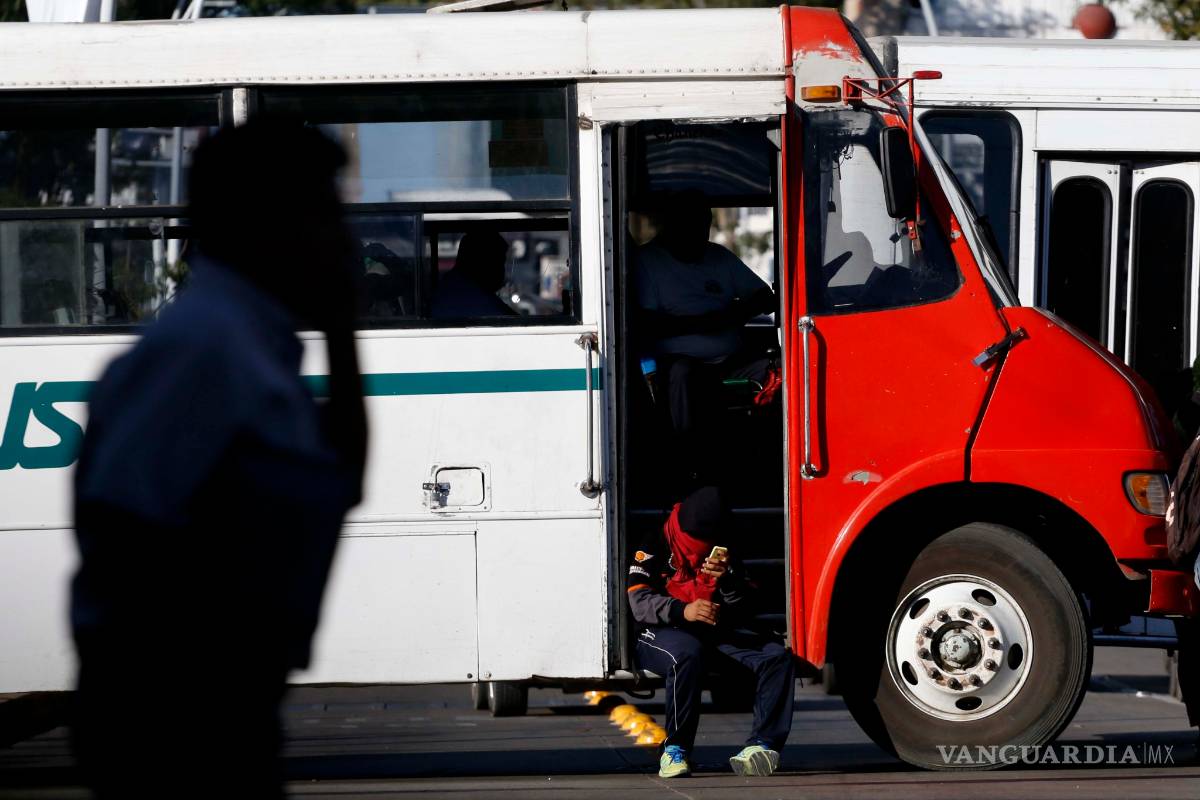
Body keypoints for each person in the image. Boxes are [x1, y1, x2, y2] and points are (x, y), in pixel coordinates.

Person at [70, 119, 368, 799]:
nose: (343, 240)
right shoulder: (203, 352)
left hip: (225, 715)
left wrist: (344, 328)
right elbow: (124, 537)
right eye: (325, 214)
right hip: (175, 730)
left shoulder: (258, 351)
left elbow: (341, 480)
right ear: (269, 223)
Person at [627, 486, 795, 778]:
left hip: (714, 630)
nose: (703, 551)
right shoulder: (653, 541)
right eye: (698, 544)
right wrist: (683, 610)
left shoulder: (725, 547)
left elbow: (748, 604)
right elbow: (638, 602)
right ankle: (675, 750)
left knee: (777, 657)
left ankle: (763, 744)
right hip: (660, 631)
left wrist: (728, 581)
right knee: (686, 654)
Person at [634, 194, 775, 479]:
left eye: (704, 224)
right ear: (671, 225)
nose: (700, 232)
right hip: (678, 362)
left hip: (732, 358)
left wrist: (733, 315)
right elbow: (649, 323)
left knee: (780, 369)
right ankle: (686, 468)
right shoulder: (648, 260)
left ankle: (770, 463)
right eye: (692, 224)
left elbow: (764, 297)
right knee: (682, 375)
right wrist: (704, 324)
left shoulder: (718, 256)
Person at [430, 230, 517, 319]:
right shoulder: (468, 295)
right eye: (499, 263)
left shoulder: (454, 285)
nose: (502, 271)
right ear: (483, 263)